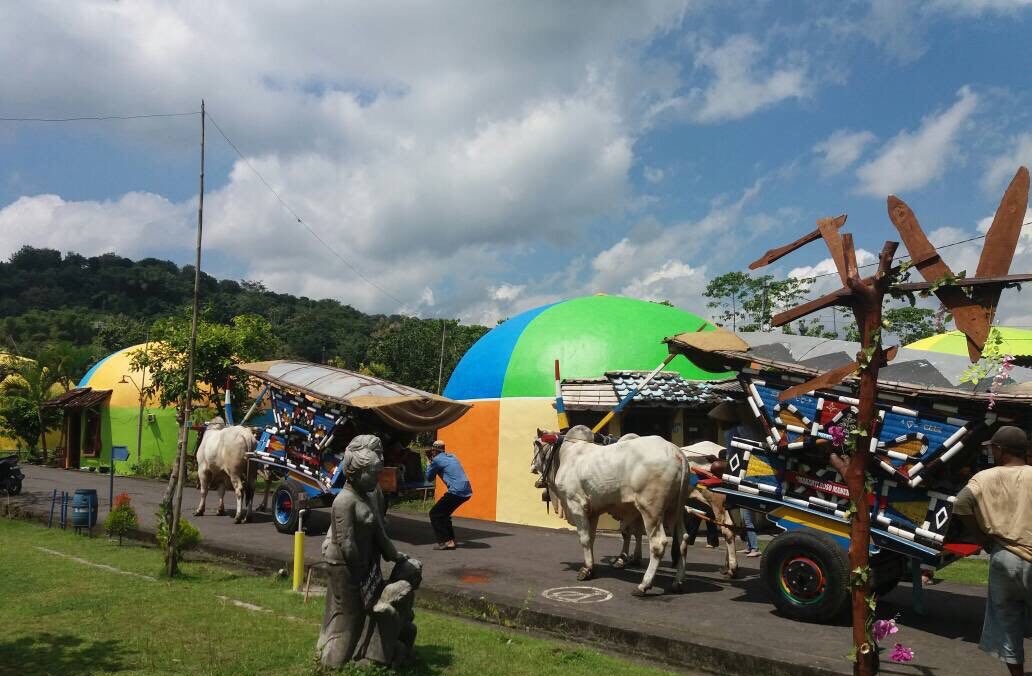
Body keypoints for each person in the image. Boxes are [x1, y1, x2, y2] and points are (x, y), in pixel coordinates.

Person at [951, 426, 1031, 676]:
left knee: (1007, 622)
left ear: (1000, 450)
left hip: (1003, 555)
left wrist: (981, 537)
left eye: (993, 448)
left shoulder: (984, 478)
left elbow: (961, 504)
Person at [424, 440, 472, 550]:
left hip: (456, 491)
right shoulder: (452, 456)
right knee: (444, 515)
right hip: (466, 491)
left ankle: (445, 542)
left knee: (434, 514)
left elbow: (429, 477)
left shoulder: (436, 460)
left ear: (434, 450)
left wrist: (428, 462)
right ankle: (451, 541)